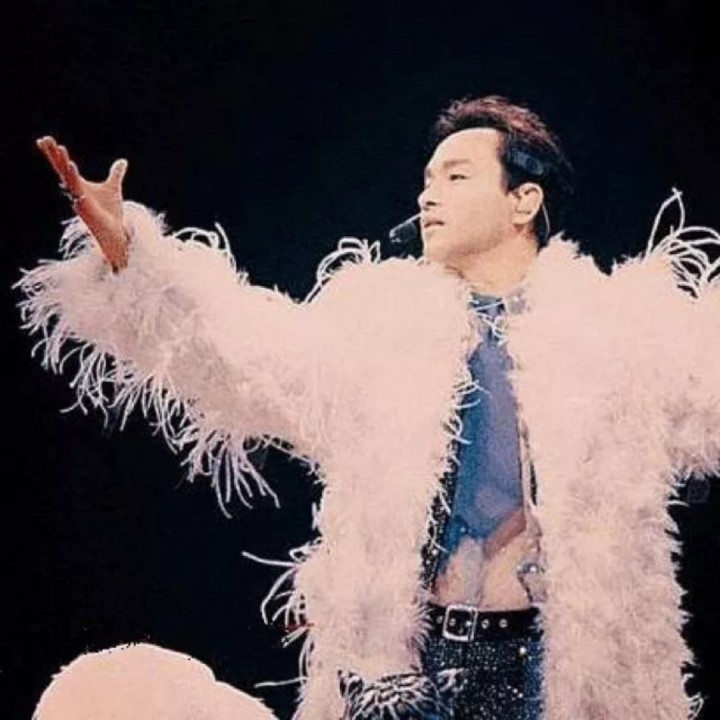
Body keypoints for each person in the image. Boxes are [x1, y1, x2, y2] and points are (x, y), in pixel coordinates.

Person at [18, 96, 719, 719]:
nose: (428, 195)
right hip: (402, 674)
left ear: (523, 201)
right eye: (426, 180)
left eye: (456, 177)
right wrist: (131, 255)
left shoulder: (619, 331)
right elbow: (239, 358)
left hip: (557, 675)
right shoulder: (378, 326)